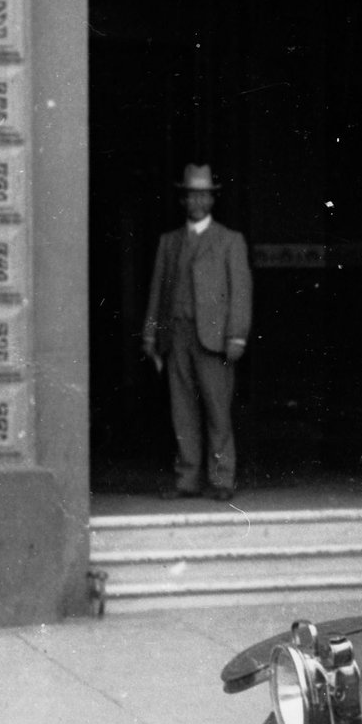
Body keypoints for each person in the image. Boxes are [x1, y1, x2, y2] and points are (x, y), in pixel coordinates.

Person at [141, 164, 252, 500]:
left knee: (217, 410)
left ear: (213, 199)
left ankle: (221, 478)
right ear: (183, 199)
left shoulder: (230, 240)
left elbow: (241, 292)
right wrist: (150, 335)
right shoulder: (169, 242)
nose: (198, 201)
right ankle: (187, 478)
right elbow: (157, 291)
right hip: (177, 336)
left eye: (204, 195)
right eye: (192, 195)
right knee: (182, 410)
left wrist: (237, 335)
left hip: (215, 339)